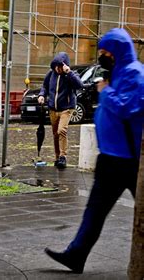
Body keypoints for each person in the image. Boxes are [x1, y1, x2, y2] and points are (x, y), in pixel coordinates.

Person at [45, 28, 144, 273]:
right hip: (111, 157)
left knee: (103, 210)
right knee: (95, 210)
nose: (102, 56)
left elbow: (128, 108)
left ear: (117, 51)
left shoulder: (134, 74)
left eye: (105, 51)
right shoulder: (118, 73)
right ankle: (76, 255)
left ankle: (76, 254)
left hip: (128, 159)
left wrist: (106, 92)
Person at [38, 52, 83, 169]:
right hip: (53, 108)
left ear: (64, 66)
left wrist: (69, 72)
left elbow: (79, 85)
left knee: (62, 130)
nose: (57, 69)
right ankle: (57, 157)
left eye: (60, 67)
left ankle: (63, 156)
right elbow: (45, 86)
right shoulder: (50, 74)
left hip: (66, 108)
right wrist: (42, 95)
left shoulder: (70, 75)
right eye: (56, 67)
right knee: (55, 134)